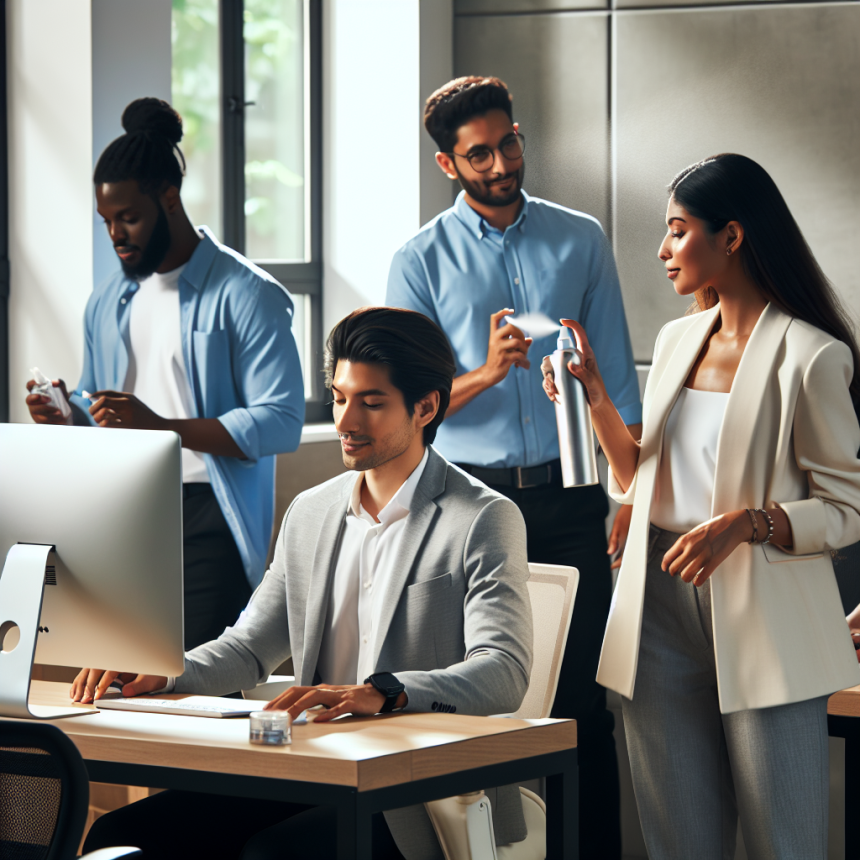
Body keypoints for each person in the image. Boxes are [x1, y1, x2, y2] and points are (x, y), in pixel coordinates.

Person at [72, 306, 534, 860]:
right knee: (119, 836)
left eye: (371, 402)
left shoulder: (483, 516)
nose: (346, 421)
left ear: (426, 407)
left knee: (275, 853)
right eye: (339, 398)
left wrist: (383, 691)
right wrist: (165, 670)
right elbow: (249, 648)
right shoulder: (310, 512)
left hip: (419, 790)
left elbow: (504, 671)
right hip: (311, 768)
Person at [543, 153, 860, 858]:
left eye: (678, 230)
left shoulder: (811, 356)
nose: (662, 249)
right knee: (677, 842)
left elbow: (847, 509)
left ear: (732, 236)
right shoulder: (676, 339)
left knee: (784, 842)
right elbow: (640, 478)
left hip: (765, 609)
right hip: (656, 600)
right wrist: (595, 398)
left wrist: (749, 524)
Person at [386, 74, 640, 857]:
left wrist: (630, 499)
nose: (500, 164)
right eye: (480, 154)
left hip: (570, 500)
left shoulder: (580, 239)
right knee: (473, 708)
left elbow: (619, 381)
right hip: (465, 508)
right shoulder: (419, 260)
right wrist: (486, 373)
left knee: (582, 706)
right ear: (447, 164)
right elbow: (403, 406)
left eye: (509, 144)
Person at [25, 98, 305, 650]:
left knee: (195, 672)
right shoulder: (108, 300)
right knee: (119, 668)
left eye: (128, 217)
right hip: (122, 510)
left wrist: (162, 427)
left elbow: (281, 420)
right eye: (106, 221)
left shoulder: (248, 294)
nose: (115, 234)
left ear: (169, 199)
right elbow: (100, 405)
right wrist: (68, 412)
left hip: (208, 515)